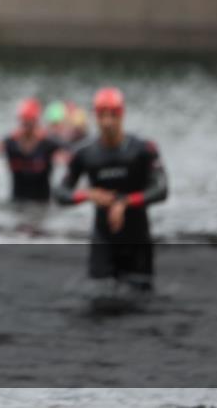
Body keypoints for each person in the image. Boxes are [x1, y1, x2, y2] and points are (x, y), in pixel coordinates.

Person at [54, 87, 168, 291]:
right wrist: (88, 194)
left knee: (143, 304)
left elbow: (162, 189)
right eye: (102, 115)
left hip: (137, 240)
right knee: (99, 300)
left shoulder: (142, 149)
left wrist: (125, 202)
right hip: (103, 240)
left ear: (122, 115)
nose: (107, 122)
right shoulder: (84, 153)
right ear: (95, 116)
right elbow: (60, 193)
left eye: (113, 115)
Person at [0, 98, 64, 202]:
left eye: (29, 122)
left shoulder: (48, 143)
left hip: (42, 204)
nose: (26, 127)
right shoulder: (10, 142)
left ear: (36, 122)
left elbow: (71, 157)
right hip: (17, 203)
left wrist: (62, 159)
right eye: (24, 122)